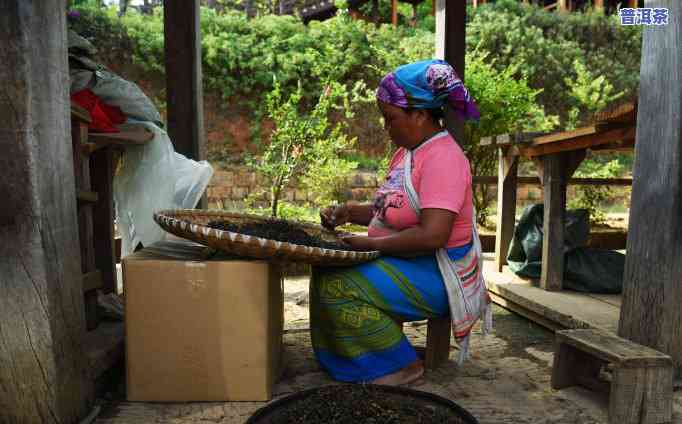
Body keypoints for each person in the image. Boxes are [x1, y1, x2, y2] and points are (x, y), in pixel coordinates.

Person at [312, 59, 492, 386]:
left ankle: (397, 366)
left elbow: (433, 235)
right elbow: (386, 207)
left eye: (390, 118)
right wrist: (350, 212)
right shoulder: (407, 154)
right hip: (408, 263)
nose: (386, 127)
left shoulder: (444, 158)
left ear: (420, 115)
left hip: (438, 274)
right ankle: (351, 359)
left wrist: (373, 244)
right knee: (324, 267)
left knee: (339, 284)